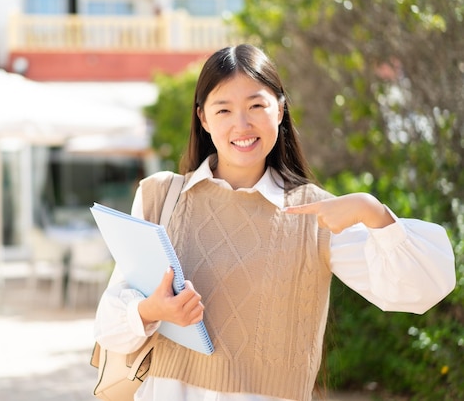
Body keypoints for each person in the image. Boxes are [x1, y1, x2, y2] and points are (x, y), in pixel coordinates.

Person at [94, 44, 456, 401]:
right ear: (203, 118)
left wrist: (372, 211)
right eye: (223, 110)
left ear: (280, 110)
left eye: (256, 105)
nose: (242, 124)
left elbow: (422, 289)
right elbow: (108, 327)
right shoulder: (161, 196)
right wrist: (150, 311)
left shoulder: (315, 214)